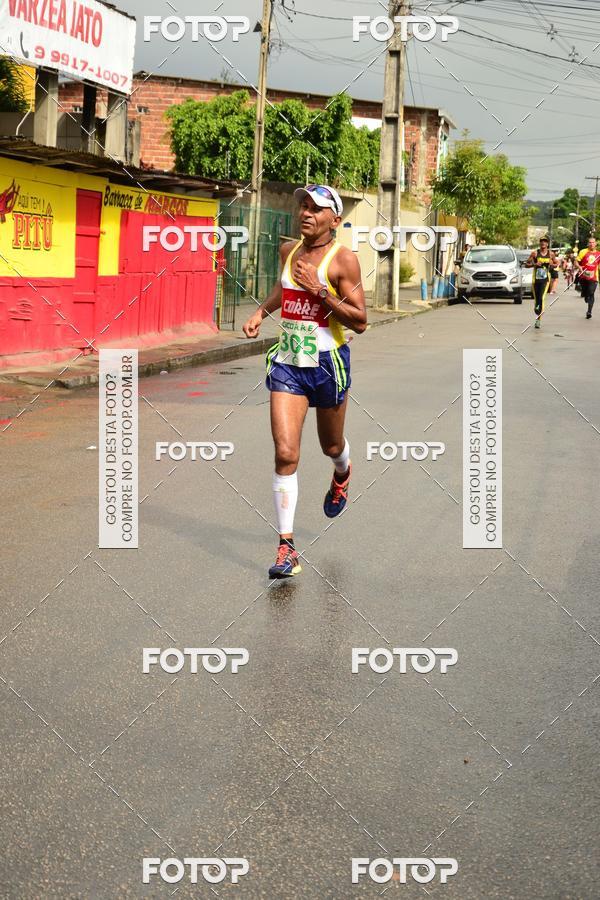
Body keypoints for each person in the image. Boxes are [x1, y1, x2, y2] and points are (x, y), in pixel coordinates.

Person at [242, 185, 367, 578]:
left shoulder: (343, 260)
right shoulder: (288, 251)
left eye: (316, 209)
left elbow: (360, 321)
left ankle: (342, 473)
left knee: (331, 444)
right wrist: (261, 312)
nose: (306, 213)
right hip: (290, 361)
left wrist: (319, 290)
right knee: (285, 453)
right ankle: (286, 547)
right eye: (304, 206)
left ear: (335, 219)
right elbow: (284, 288)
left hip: (329, 363)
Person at [524, 237, 557, 329]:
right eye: (541, 241)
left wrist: (551, 265)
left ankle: (538, 320)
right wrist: (534, 264)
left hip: (545, 280)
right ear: (540, 243)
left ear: (547, 244)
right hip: (536, 280)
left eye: (545, 242)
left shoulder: (551, 254)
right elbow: (526, 265)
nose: (543, 243)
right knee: (537, 300)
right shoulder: (535, 253)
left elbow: (556, 264)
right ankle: (537, 309)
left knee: (542, 298)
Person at [575, 236, 600, 319]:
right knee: (586, 293)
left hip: (594, 277)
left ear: (595, 244)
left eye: (593, 242)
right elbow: (576, 262)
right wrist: (579, 267)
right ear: (588, 244)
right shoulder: (583, 252)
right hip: (583, 276)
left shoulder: (598, 254)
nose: (592, 244)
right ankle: (585, 295)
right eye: (590, 242)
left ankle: (589, 312)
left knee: (591, 292)